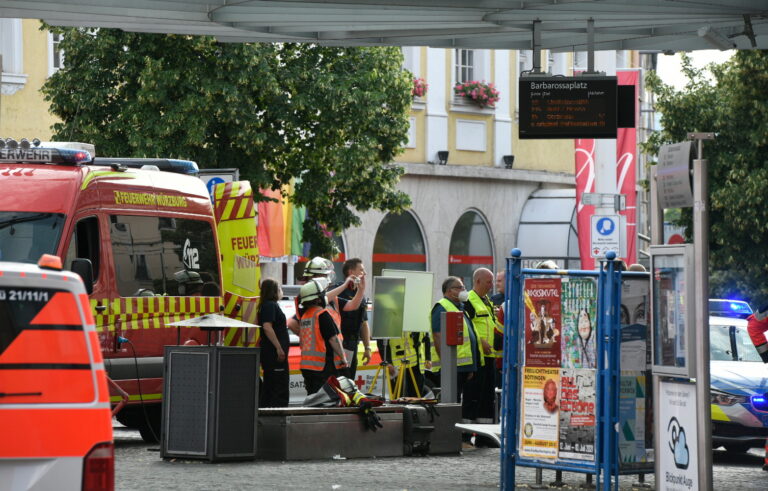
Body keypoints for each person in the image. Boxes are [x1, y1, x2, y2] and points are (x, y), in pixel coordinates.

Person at [428, 276, 482, 420]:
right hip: (451, 367)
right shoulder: (442, 307)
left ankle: (460, 435)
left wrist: (470, 366)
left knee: (461, 402)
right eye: (460, 287)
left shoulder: (461, 308)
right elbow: (437, 335)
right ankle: (450, 433)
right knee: (452, 402)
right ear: (450, 291)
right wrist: (447, 365)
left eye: (464, 287)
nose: (464, 290)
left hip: (463, 366)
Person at [298, 278, 348, 395]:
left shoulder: (305, 316)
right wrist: (343, 358)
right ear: (319, 298)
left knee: (312, 398)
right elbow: (333, 339)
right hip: (322, 366)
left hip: (307, 366)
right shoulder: (322, 314)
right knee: (325, 399)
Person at [463, 268, 498, 423]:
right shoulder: (469, 300)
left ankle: (484, 436)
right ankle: (466, 433)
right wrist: (480, 341)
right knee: (473, 395)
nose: (491, 285)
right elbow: (466, 324)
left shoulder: (486, 300)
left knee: (487, 397)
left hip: (490, 356)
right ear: (478, 281)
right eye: (488, 282)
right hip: (478, 356)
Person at [334, 258, 372, 379]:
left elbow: (364, 323)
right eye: (361, 270)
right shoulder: (338, 291)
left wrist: (367, 347)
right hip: (340, 345)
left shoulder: (361, 294)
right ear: (351, 272)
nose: (364, 273)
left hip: (353, 344)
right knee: (340, 382)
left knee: (350, 381)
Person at [257, 278, 289, 407]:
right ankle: (276, 418)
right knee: (278, 388)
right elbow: (267, 327)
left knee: (271, 386)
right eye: (279, 289)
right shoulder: (270, 305)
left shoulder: (267, 305)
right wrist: (279, 348)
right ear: (274, 291)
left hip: (271, 354)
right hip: (274, 355)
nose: (281, 291)